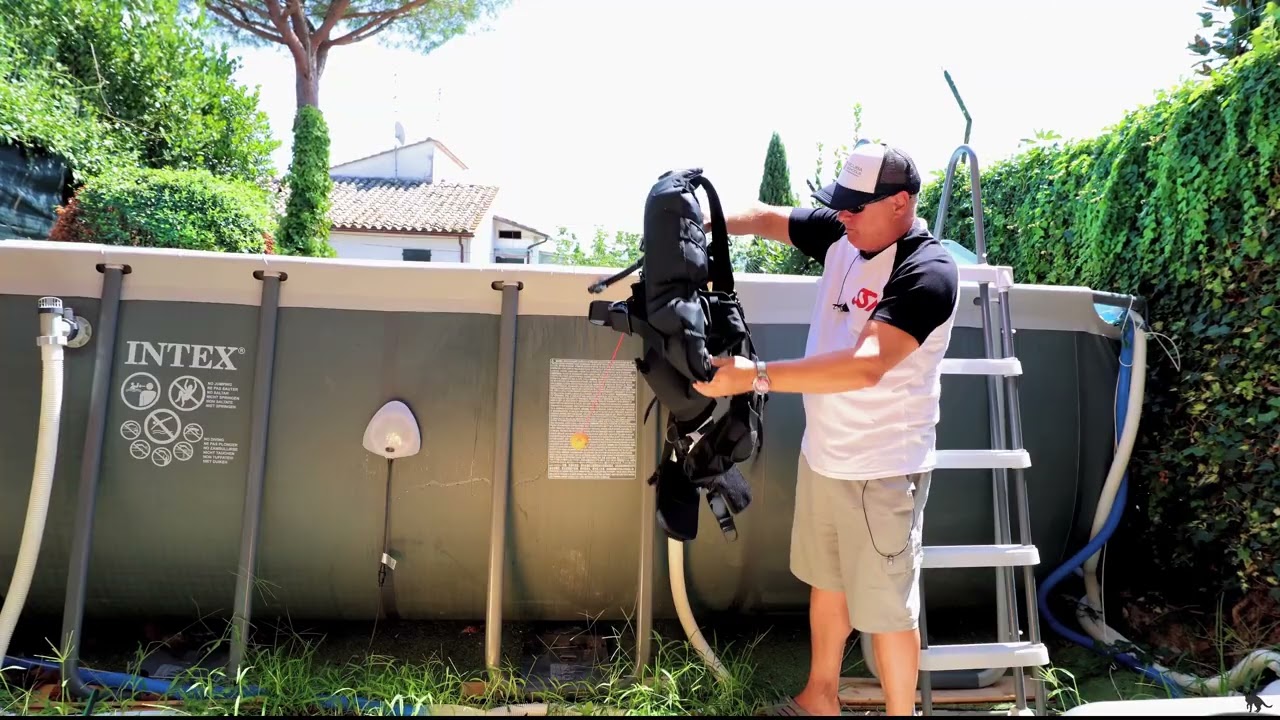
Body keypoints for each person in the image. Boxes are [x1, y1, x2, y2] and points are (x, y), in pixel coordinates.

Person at [692, 140, 960, 717]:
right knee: (827, 580)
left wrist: (755, 376)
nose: (842, 215)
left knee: (888, 609)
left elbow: (866, 364)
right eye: (838, 205)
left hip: (883, 467)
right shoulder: (846, 232)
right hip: (825, 456)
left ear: (902, 203)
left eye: (855, 207)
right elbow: (764, 218)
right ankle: (820, 696)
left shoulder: (927, 271)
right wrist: (698, 216)